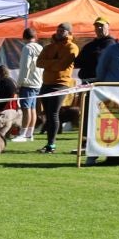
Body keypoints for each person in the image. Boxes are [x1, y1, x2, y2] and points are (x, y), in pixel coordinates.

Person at [38, 22, 79, 153]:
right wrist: (54, 63)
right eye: (58, 30)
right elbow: (39, 62)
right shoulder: (49, 47)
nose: (60, 32)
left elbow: (63, 65)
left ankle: (51, 144)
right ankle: (49, 143)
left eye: (63, 30)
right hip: (46, 83)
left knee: (54, 113)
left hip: (61, 84)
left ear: (69, 33)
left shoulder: (72, 47)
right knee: (48, 114)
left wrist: (49, 64)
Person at [15, 26, 44, 141]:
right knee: (32, 108)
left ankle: (23, 134)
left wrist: (19, 83)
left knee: (26, 108)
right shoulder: (40, 47)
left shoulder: (27, 48)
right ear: (35, 37)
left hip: (28, 83)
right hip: (37, 82)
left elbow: (25, 67)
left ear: (24, 37)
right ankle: (29, 134)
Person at [75, 18, 114, 83]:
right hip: (85, 81)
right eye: (96, 26)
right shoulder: (89, 45)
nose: (99, 27)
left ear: (108, 27)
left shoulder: (112, 44)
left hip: (100, 82)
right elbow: (78, 62)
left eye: (102, 25)